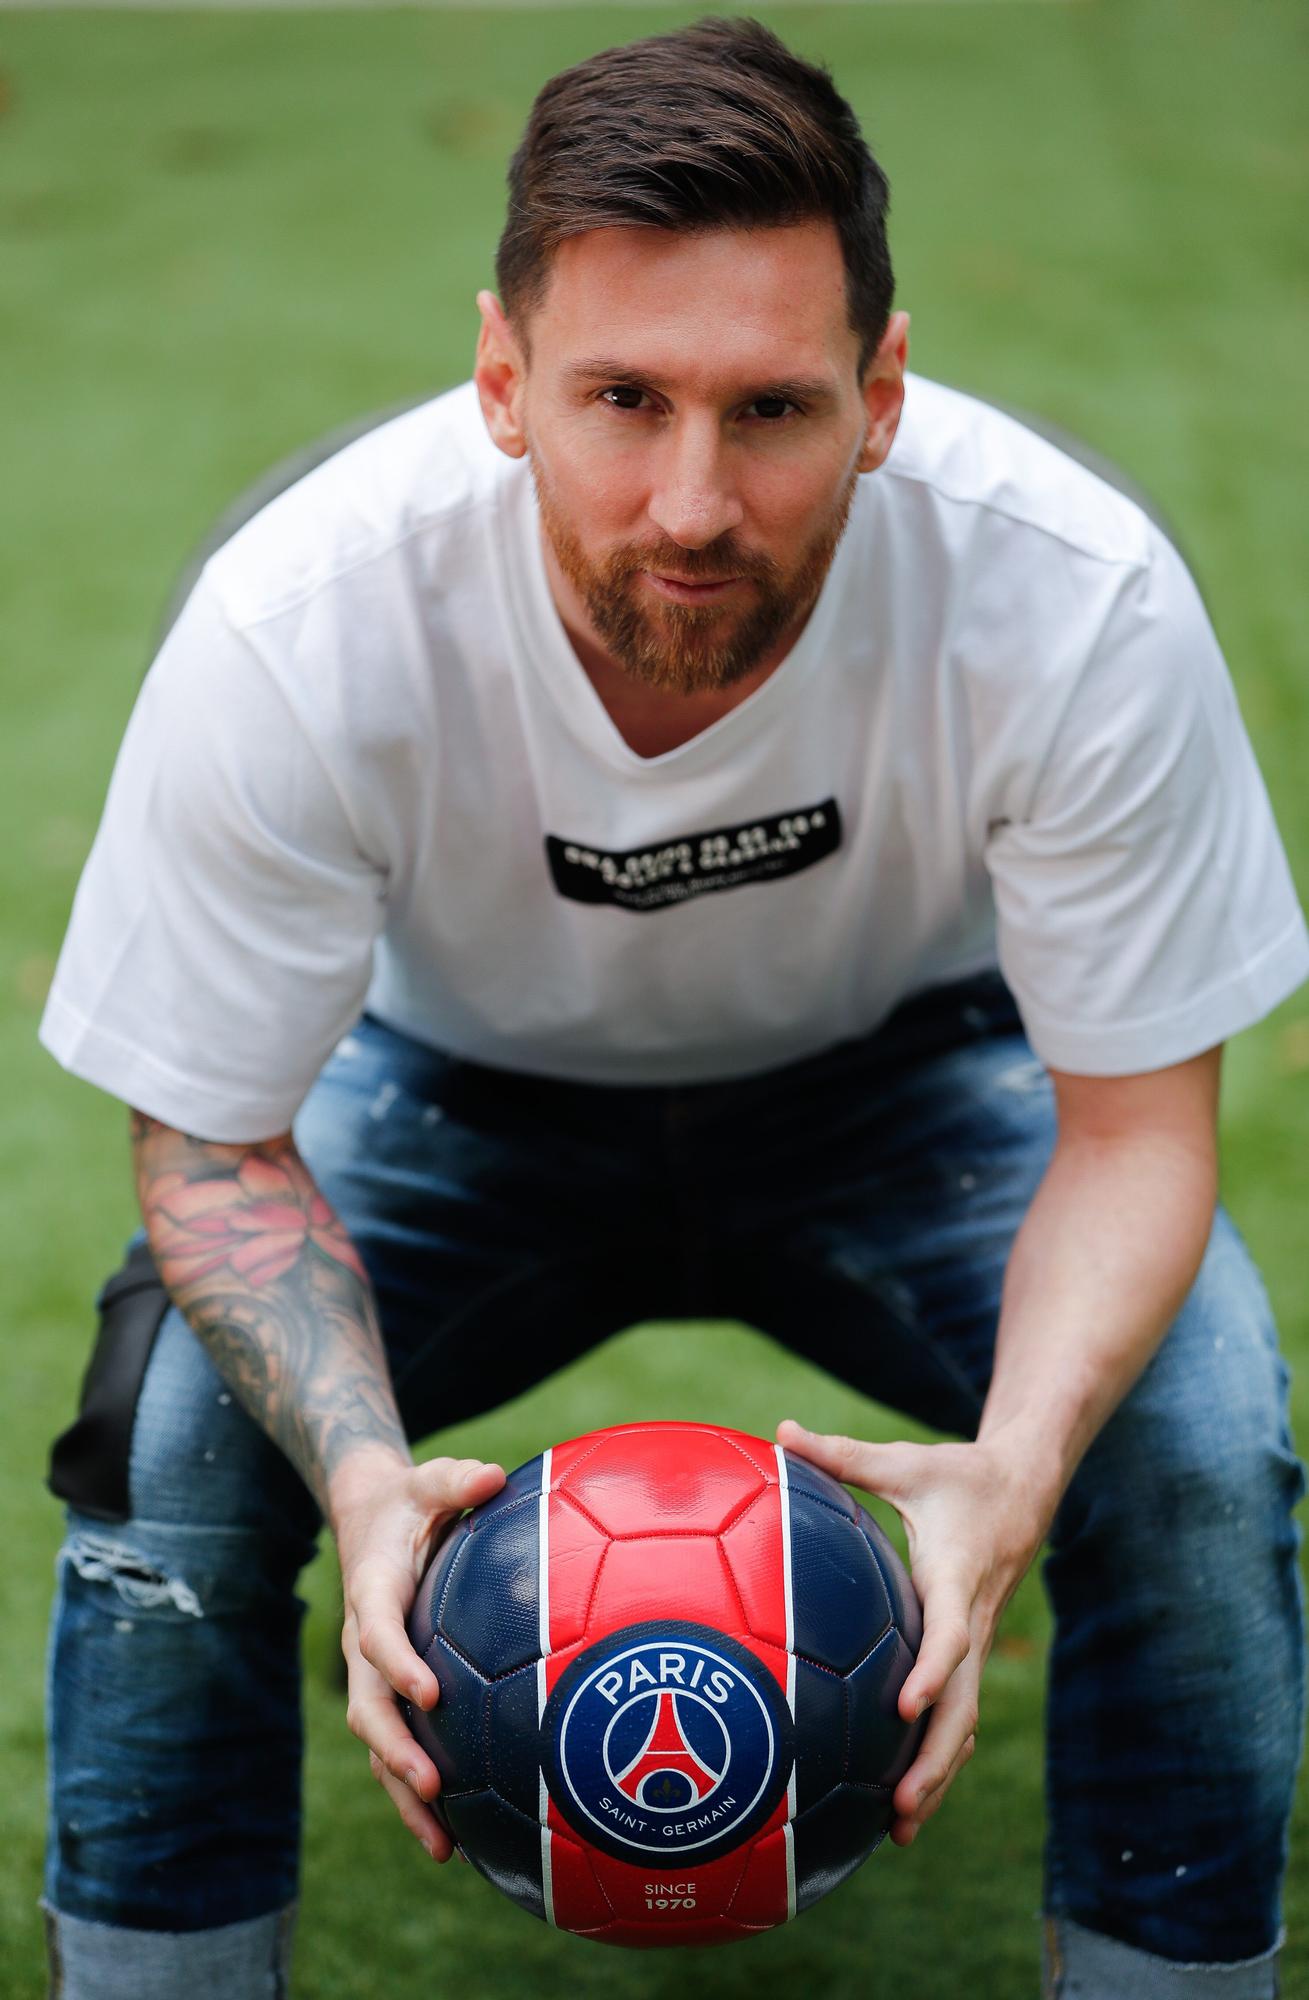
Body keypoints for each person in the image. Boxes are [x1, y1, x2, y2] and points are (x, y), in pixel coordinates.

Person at [38, 16, 1306, 1998]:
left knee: (1200, 1435)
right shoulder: (302, 622)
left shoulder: (1076, 600)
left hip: (901, 1086)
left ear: (882, 392)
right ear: (500, 377)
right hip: (455, 1094)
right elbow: (216, 1133)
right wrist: (366, 1482)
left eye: (772, 411)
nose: (692, 504)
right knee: (175, 1439)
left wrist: (1016, 1471)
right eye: (622, 399)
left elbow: (1137, 1128)